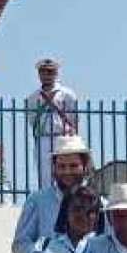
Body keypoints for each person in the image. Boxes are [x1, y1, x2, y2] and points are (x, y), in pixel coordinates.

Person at [13, 133, 92, 253]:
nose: (67, 171)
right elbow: (20, 244)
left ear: (85, 167)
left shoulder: (99, 204)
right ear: (54, 168)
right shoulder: (37, 201)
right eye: (62, 166)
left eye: (73, 166)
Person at [26, 58, 80, 188]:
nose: (47, 75)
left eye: (50, 72)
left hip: (62, 136)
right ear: (39, 74)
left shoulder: (67, 94)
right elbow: (32, 120)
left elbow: (74, 118)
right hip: (43, 136)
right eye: (44, 72)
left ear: (56, 73)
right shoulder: (33, 97)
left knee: (65, 172)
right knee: (45, 173)